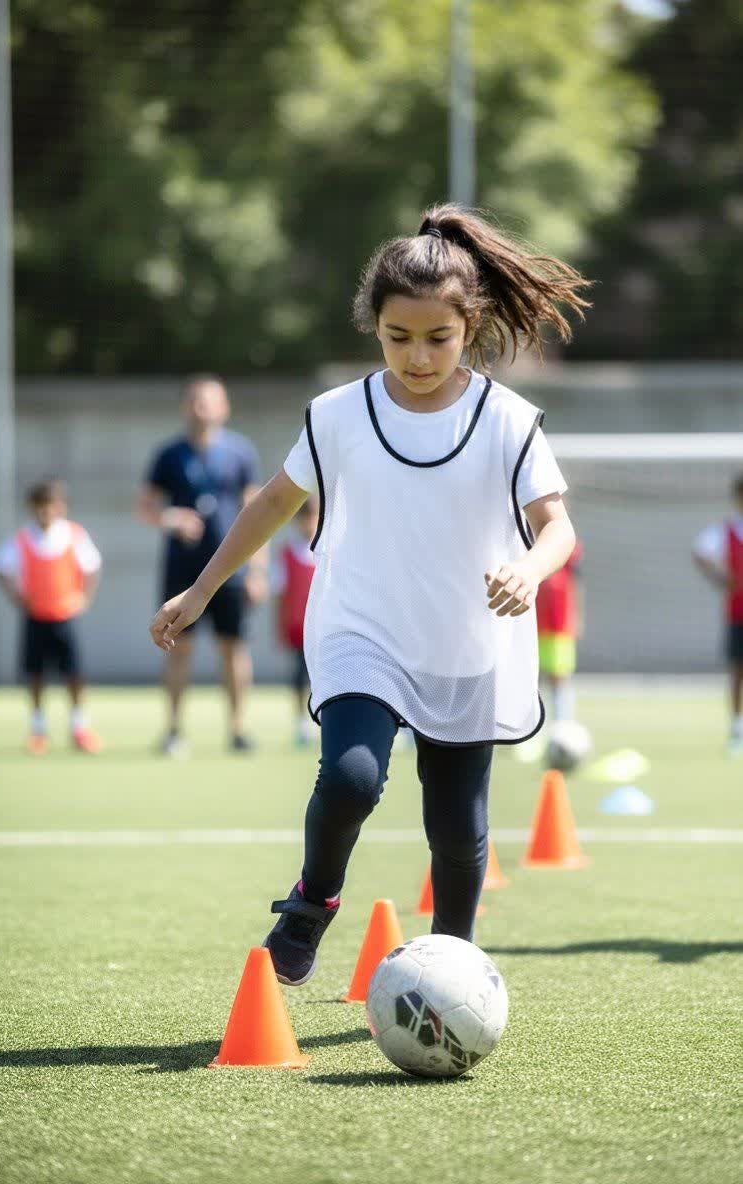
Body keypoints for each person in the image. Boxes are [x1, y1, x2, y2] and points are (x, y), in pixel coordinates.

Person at [150, 204, 585, 985]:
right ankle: (313, 900)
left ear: (470, 326)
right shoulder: (338, 416)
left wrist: (529, 569)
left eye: (438, 339)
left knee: (457, 831)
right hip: (364, 631)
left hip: (465, 641)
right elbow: (271, 505)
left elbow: (558, 529)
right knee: (351, 776)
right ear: (373, 326)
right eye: (398, 337)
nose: (418, 357)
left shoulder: (508, 421)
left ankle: (453, 961)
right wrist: (202, 587)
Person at [137, 375, 268, 756]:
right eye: (195, 400)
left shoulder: (241, 452)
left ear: (224, 406)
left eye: (210, 400)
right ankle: (174, 730)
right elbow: (145, 506)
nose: (203, 407)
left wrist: (258, 571)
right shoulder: (169, 454)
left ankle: (238, 729)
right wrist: (169, 519)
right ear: (184, 406)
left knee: (233, 649)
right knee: (178, 648)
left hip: (231, 570)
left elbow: (259, 512)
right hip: (182, 569)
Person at [0, 479, 103, 754]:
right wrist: (15, 596)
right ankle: (38, 729)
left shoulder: (74, 535)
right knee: (36, 674)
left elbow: (92, 566)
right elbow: (0, 565)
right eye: (41, 506)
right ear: (32, 508)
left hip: (64, 617)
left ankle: (79, 728)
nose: (47, 512)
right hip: (35, 617)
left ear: (61, 507)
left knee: (74, 674)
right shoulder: (23, 539)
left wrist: (83, 598)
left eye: (52, 505)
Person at [693, 474, 743, 758]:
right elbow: (700, 552)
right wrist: (721, 577)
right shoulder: (727, 532)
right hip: (738, 614)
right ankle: (737, 729)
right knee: (738, 671)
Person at [275, 498, 318, 746]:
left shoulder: (328, 549)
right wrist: (279, 625)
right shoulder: (288, 552)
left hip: (323, 629)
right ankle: (301, 721)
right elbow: (280, 593)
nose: (307, 523)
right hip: (298, 628)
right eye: (303, 517)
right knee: (299, 675)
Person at [536, 539, 583, 722]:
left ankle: (563, 726)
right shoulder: (521, 536)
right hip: (531, 621)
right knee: (532, 679)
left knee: (560, 676)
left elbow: (576, 582)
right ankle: (530, 733)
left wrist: (576, 616)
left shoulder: (568, 541)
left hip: (559, 622)